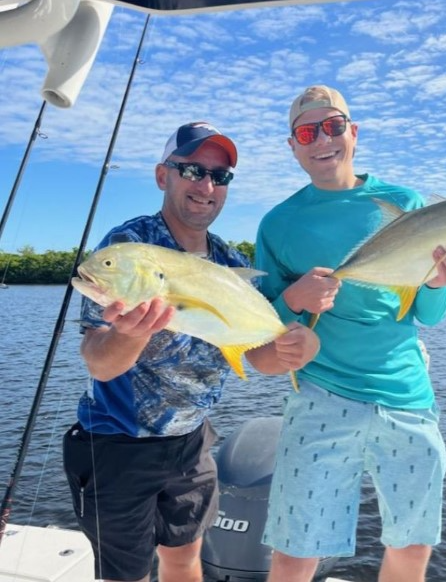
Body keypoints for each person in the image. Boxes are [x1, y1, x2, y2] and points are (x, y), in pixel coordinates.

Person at [62, 121, 320, 582]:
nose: (206, 186)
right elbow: (99, 364)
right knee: (128, 576)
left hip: (192, 443)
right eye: (192, 170)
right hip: (118, 445)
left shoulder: (229, 262)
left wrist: (292, 348)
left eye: (220, 177)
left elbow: (259, 355)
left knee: (184, 559)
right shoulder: (127, 248)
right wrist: (129, 333)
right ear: (164, 176)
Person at [255, 86, 446, 582]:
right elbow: (262, 326)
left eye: (334, 126)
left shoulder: (404, 202)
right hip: (320, 395)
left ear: (353, 133)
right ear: (292, 146)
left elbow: (427, 313)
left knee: (412, 546)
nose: (323, 140)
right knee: (295, 552)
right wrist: (293, 298)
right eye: (307, 132)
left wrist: (441, 284)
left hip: (406, 396)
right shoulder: (277, 224)